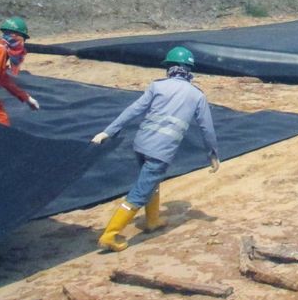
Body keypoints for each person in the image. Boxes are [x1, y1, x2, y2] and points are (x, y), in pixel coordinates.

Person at [91, 46, 220, 252]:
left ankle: (153, 221)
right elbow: (207, 128)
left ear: (169, 67)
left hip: (141, 145)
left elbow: (133, 110)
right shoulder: (197, 96)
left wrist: (108, 131)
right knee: (140, 192)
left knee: (152, 182)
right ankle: (110, 234)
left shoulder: (157, 86)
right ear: (189, 69)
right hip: (161, 152)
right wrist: (212, 154)